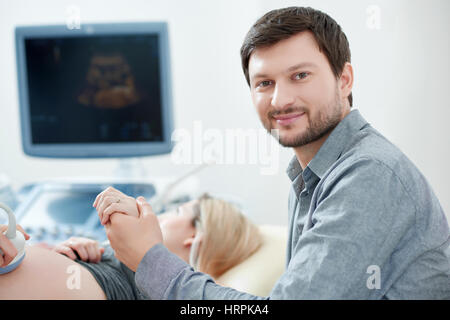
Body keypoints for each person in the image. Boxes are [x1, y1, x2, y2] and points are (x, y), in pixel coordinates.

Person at [102, 6, 450, 299]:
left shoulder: (370, 174)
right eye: (264, 83)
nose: (280, 100)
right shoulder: (311, 175)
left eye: (300, 75)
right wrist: (113, 255)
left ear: (344, 80)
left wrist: (150, 258)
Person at [0, 192, 262, 299]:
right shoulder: (103, 255)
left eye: (175, 211)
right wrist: (70, 255)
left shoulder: (164, 290)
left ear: (194, 237)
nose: (159, 215)